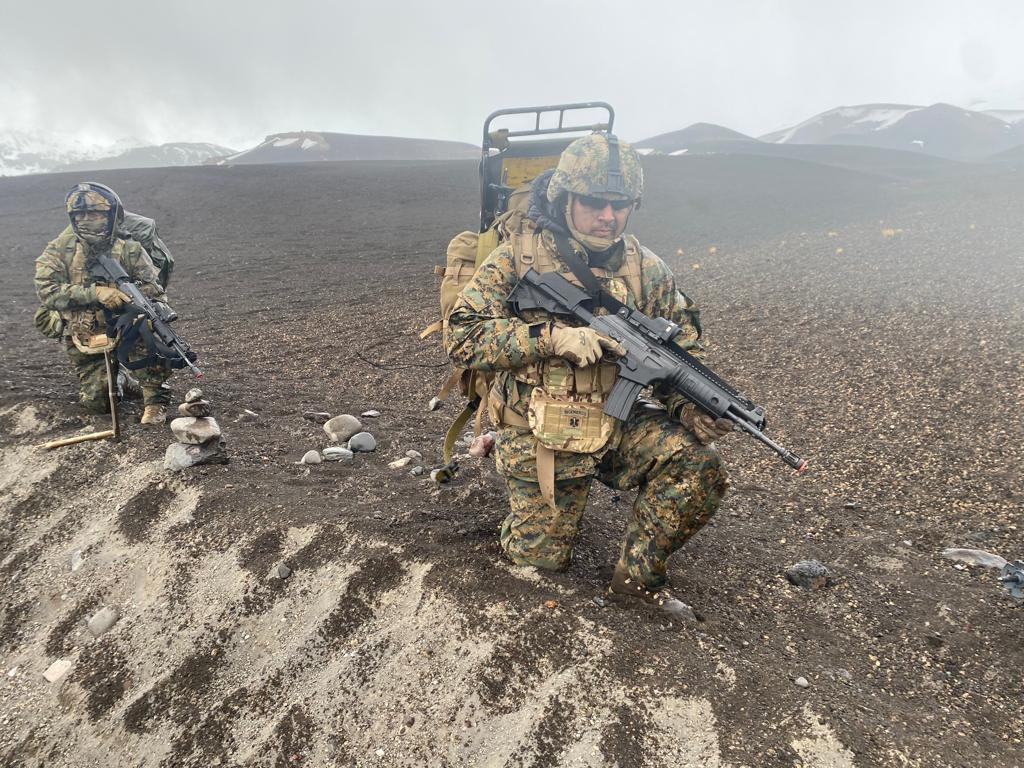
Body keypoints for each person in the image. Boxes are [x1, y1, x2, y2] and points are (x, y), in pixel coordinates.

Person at [445, 134, 731, 616]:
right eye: (594, 202)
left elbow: (680, 356)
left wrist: (688, 406)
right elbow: (461, 335)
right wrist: (550, 338)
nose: (608, 217)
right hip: (542, 430)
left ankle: (636, 583)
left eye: (620, 205)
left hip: (617, 423)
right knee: (540, 564)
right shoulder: (519, 257)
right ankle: (521, 503)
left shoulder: (649, 271)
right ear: (565, 198)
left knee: (698, 466)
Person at [34, 182, 172, 425]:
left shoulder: (129, 248)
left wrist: (124, 295)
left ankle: (155, 399)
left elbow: (153, 287)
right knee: (99, 404)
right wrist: (95, 293)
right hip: (86, 331)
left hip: (126, 327)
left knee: (148, 328)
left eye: (94, 214)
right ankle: (121, 380)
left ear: (110, 216)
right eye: (80, 215)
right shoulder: (58, 250)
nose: (86, 220)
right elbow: (47, 291)